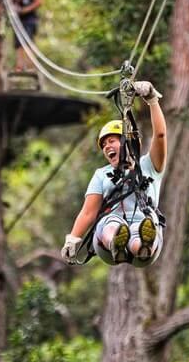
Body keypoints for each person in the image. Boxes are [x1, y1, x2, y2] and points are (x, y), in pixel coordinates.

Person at [61, 81, 167, 267]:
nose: (107, 147)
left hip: (143, 224)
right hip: (106, 239)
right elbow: (88, 212)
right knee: (112, 222)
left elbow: (160, 135)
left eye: (112, 141)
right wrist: (73, 238)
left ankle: (142, 246)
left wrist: (152, 100)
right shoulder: (102, 174)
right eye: (104, 145)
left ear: (128, 141)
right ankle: (116, 243)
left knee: (141, 228)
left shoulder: (149, 166)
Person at [11, 0, 42, 72]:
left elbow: (39, 1)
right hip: (18, 21)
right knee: (18, 44)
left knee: (28, 42)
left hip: (30, 20)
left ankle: (30, 66)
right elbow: (12, 3)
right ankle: (19, 66)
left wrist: (25, 10)